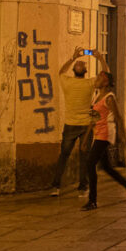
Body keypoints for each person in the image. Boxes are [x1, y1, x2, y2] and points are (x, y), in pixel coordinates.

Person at [50, 46, 101, 196]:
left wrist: (100, 59)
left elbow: (106, 76)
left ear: (84, 70)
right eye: (79, 64)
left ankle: (81, 187)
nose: (80, 65)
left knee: (78, 156)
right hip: (75, 125)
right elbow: (60, 72)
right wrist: (74, 58)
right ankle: (57, 186)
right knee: (66, 155)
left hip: (81, 125)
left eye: (82, 64)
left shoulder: (89, 83)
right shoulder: (69, 82)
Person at [81, 72, 126, 210]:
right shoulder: (96, 96)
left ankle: (92, 200)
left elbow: (119, 118)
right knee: (106, 167)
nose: (96, 79)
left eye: (99, 78)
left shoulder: (109, 98)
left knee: (90, 163)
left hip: (106, 134)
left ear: (105, 82)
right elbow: (93, 119)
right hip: (97, 134)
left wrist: (125, 141)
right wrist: (85, 139)